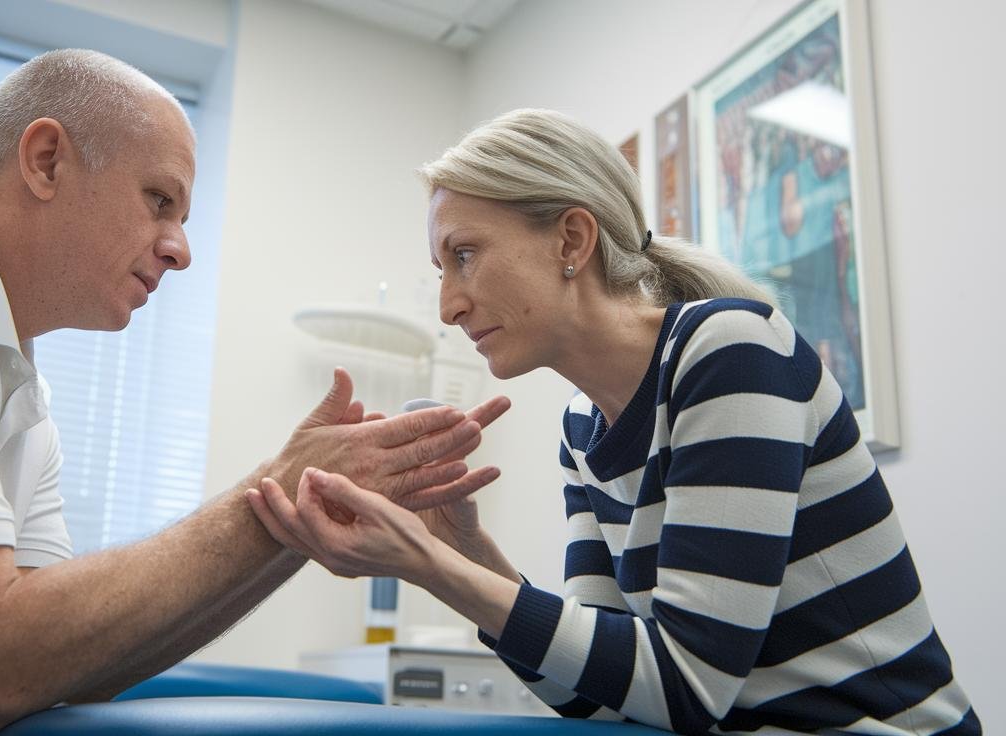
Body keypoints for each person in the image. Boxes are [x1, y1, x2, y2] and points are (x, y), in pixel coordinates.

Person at [0, 49, 510, 736]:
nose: (180, 249)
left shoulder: (17, 393)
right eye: (160, 201)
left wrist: (295, 523)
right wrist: (275, 497)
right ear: (45, 160)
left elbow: (61, 669)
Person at [245, 109, 981, 735]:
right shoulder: (583, 429)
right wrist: (464, 553)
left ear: (572, 240)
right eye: (442, 269)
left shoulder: (730, 353)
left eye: (464, 256)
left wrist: (431, 567)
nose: (449, 305)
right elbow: (605, 699)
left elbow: (689, 687)